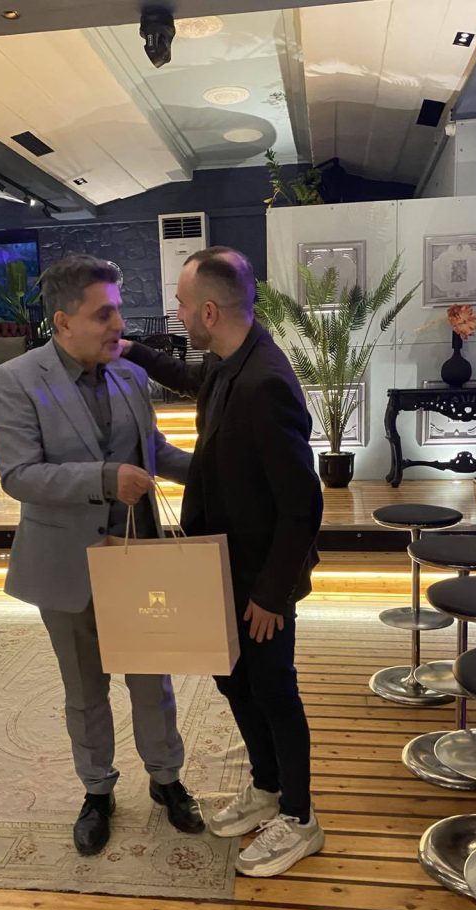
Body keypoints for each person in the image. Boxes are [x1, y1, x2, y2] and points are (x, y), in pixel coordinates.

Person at [0, 254, 204, 858]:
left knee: (152, 681)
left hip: (137, 556)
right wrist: (105, 478)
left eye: (117, 311)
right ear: (63, 321)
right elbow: (19, 476)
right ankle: (98, 790)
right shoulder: (14, 381)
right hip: (66, 563)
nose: (118, 325)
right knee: (85, 688)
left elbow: (154, 451)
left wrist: (219, 469)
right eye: (103, 313)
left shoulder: (129, 375)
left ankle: (166, 779)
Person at [122, 246, 324, 877]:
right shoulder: (227, 358)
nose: (178, 314)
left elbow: (303, 505)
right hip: (221, 563)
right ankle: (267, 785)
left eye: (182, 304)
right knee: (234, 680)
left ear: (209, 311)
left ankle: (300, 818)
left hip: (260, 577)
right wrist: (131, 350)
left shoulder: (266, 383)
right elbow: (193, 379)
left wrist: (271, 594)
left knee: (274, 690)